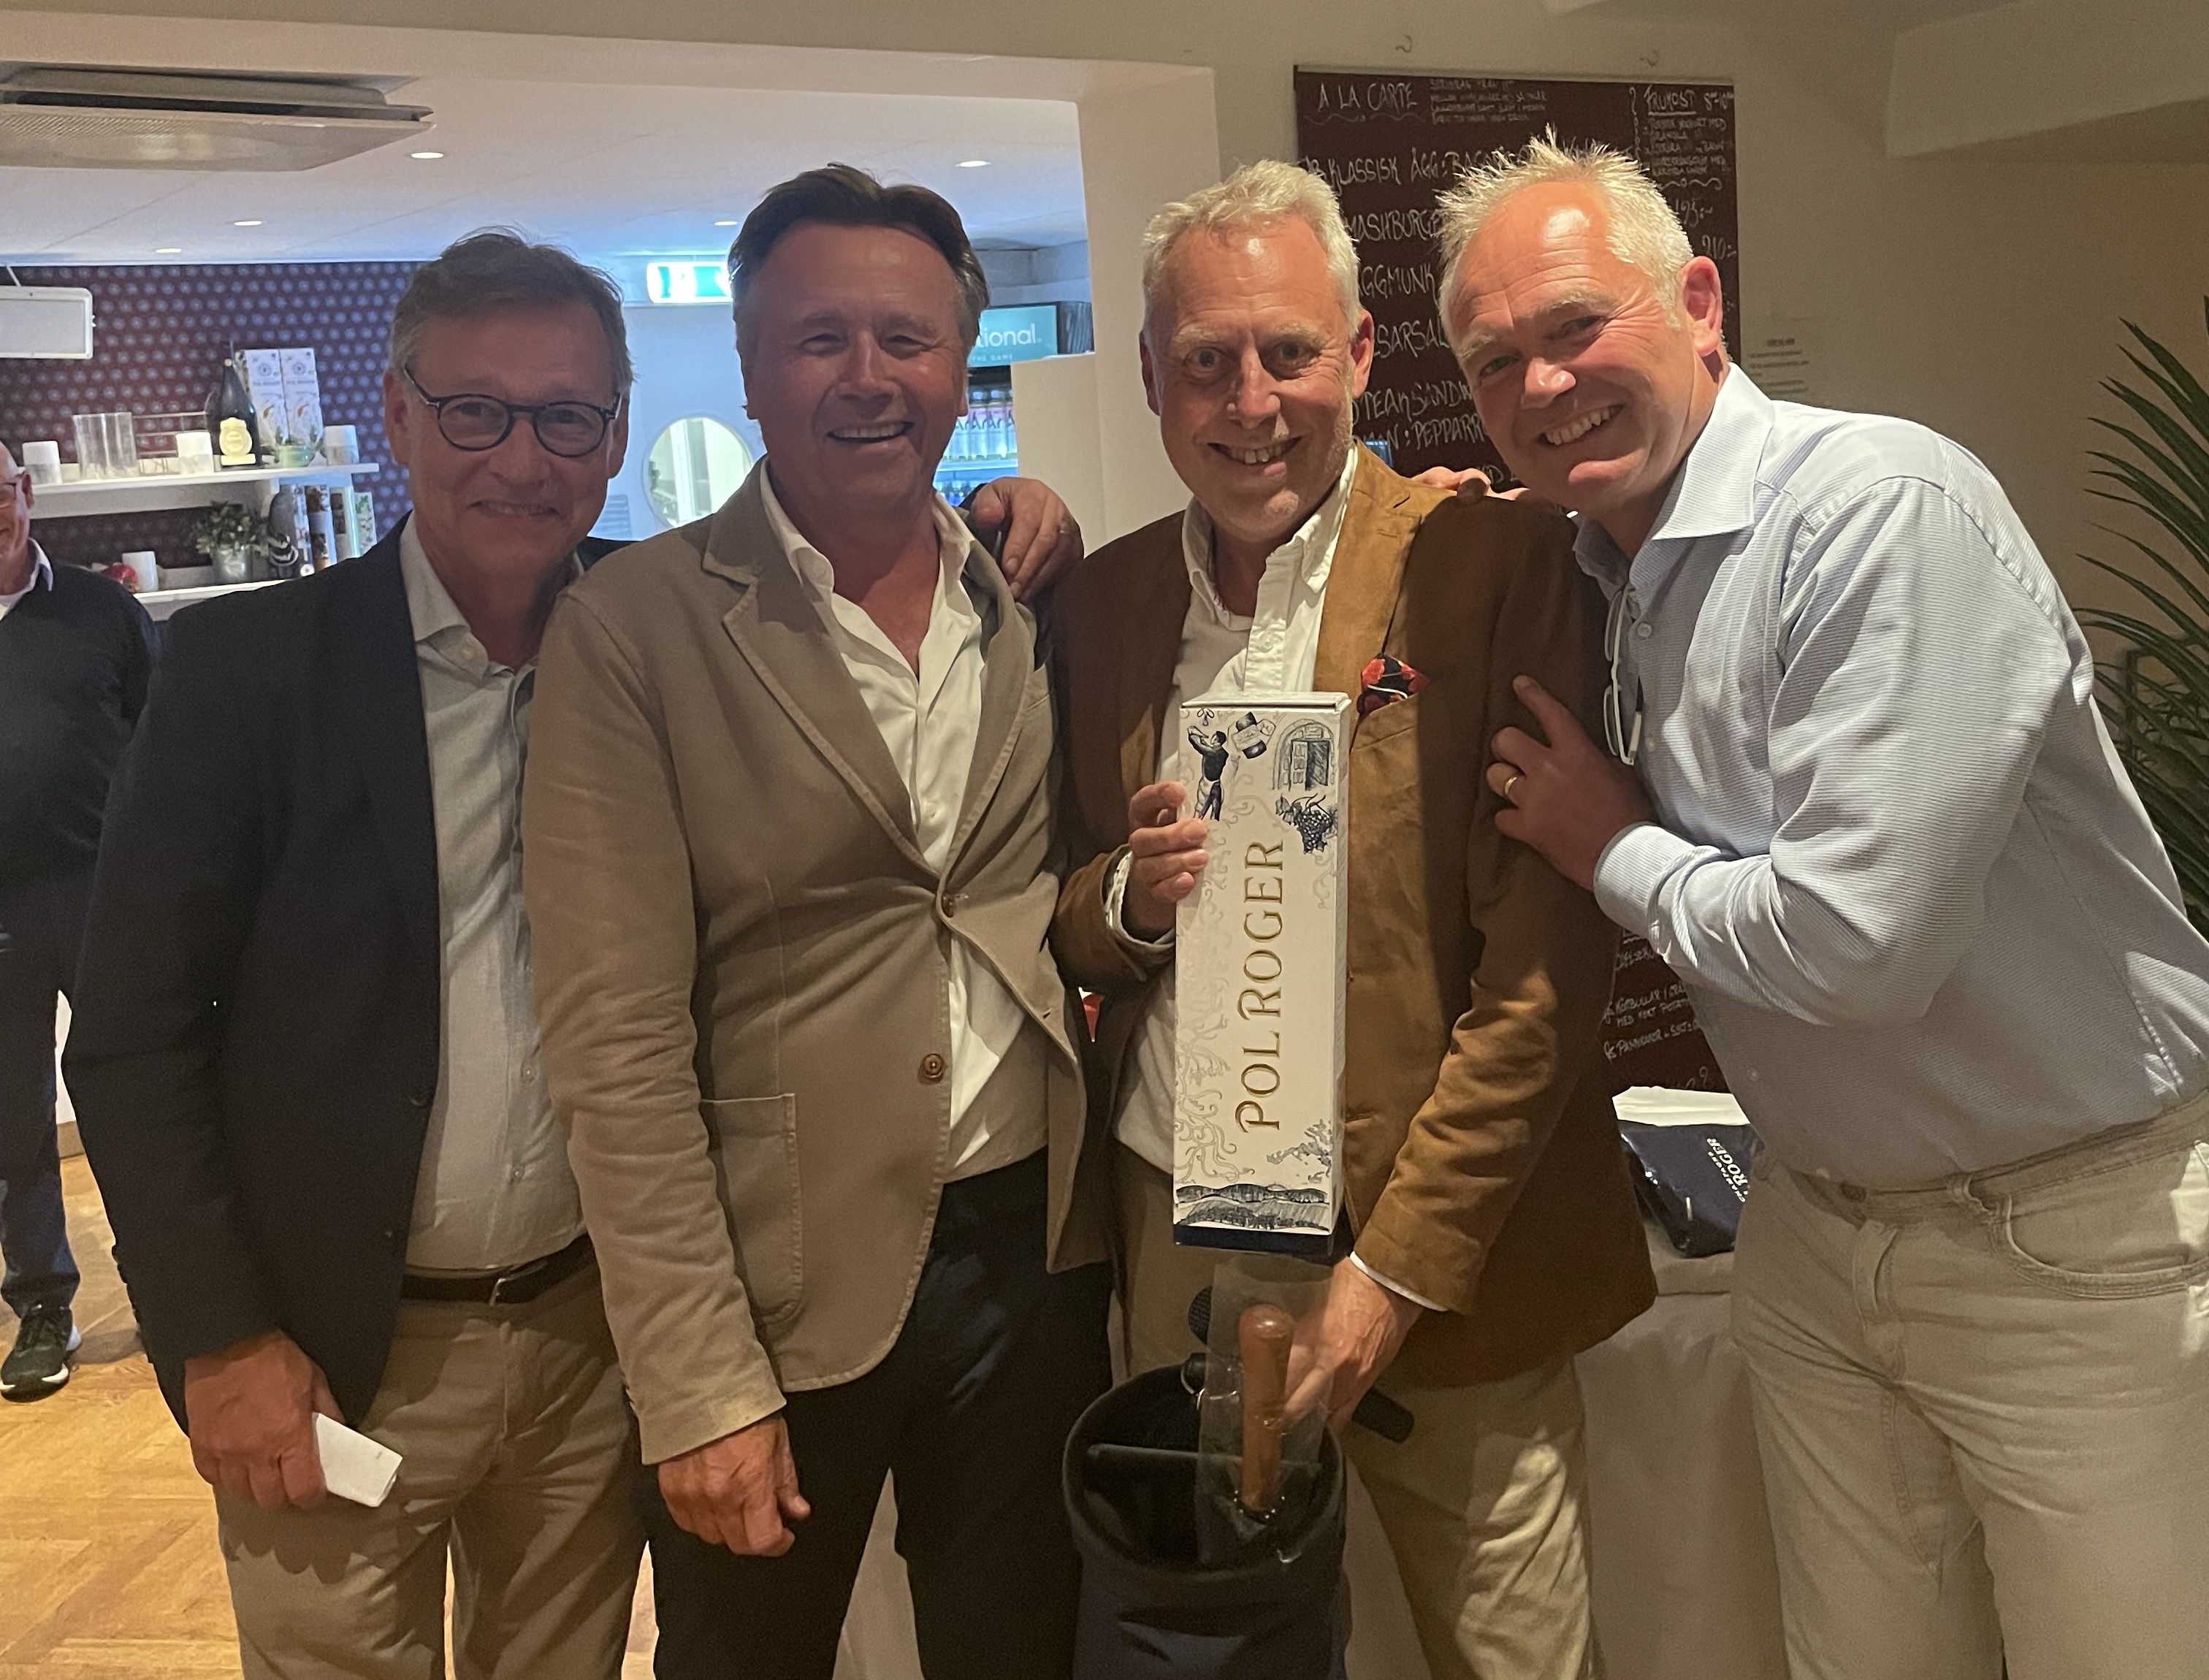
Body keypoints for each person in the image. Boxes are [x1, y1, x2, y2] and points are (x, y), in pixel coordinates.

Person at [63, 226, 1091, 1679]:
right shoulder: (251, 670)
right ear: (399, 415)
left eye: (565, 419)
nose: (521, 459)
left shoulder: (663, 622)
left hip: (590, 1329)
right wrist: (219, 1334)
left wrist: (1002, 503)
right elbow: (131, 1036)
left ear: (615, 437)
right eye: (476, 411)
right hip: (346, 1344)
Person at [1442, 135, 2209, 1680]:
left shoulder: (1874, 512)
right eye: (1496, 362)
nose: (1542, 385)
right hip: (1815, 1226)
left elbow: (1862, 947)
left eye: (1578, 326)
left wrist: (1613, 847)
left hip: (2073, 1240)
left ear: (1698, 302)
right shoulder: (1602, 560)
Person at [1047, 161, 1654, 1680]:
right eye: (1206, 360)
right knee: (1224, 1647)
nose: (1251, 402)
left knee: (1510, 1655)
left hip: (1445, 1256)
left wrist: (1392, 1278)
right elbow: (1057, 913)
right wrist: (1126, 900)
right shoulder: (1102, 607)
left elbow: (1540, 982)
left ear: (1363, 355)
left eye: (1290, 352)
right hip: (1185, 1236)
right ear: (1150, 378)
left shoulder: (1496, 564)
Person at [521, 164, 1113, 1680]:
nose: (868, 376)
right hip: (773, 1278)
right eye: (819, 338)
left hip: (1032, 1254)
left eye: (907, 339)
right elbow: (613, 1040)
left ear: (959, 365)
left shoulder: (1022, 593)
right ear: (749, 368)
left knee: (1019, 1654)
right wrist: (696, 1381)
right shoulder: (633, 628)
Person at [0, 445, 153, 1399]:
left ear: (26, 494)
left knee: (137, 1092)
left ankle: (168, 1280)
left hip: (106, 891)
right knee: (11, 1118)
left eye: (0, 492)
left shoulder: (104, 612)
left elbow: (162, 740)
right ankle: (42, 1307)